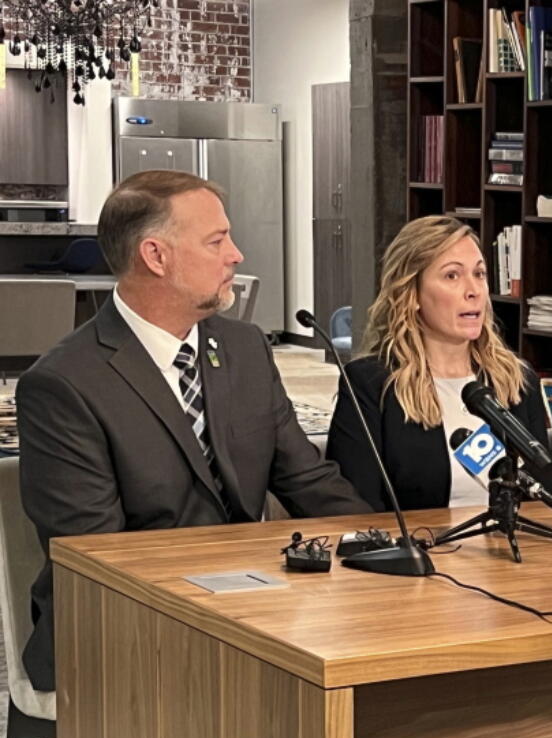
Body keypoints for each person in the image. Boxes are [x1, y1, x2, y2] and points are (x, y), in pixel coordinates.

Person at [16, 169, 370, 691]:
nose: (236, 255)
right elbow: (100, 558)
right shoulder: (62, 385)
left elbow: (308, 480)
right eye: (217, 240)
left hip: (254, 604)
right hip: (122, 628)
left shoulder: (246, 348)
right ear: (156, 256)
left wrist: (379, 544)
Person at [327, 215, 552, 510]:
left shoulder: (517, 380)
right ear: (413, 292)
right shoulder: (370, 385)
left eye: (480, 274)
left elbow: (545, 497)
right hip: (423, 551)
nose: (473, 291)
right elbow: (359, 508)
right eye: (452, 276)